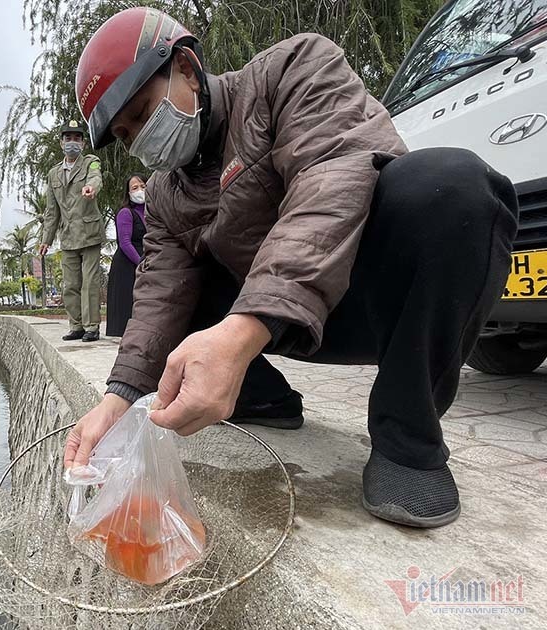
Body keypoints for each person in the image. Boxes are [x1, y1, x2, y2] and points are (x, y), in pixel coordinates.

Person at [64, 7, 518, 528]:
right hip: (283, 328)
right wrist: (116, 400)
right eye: (126, 135)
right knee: (176, 292)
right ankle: (264, 401)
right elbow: (159, 297)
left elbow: (329, 187)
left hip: (372, 303)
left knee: (452, 186)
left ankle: (407, 439)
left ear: (187, 68)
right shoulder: (167, 196)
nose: (142, 139)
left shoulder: (292, 70)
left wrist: (240, 332)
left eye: (143, 114)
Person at [40, 120, 105, 343]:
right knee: (70, 285)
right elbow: (51, 210)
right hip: (67, 236)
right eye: (68, 138)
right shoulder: (54, 174)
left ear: (83, 143)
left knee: (89, 283)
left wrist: (92, 188)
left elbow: (96, 177)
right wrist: (45, 239)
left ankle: (91, 327)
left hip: (89, 233)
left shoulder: (90, 162)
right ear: (61, 143)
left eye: (77, 138)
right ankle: (76, 325)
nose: (72, 143)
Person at [105, 174, 147, 337]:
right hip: (127, 264)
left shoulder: (153, 212)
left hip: (147, 262)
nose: (140, 191)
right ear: (128, 193)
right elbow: (125, 243)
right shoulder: (125, 213)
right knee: (126, 307)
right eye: (135, 188)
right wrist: (141, 263)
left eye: (143, 186)